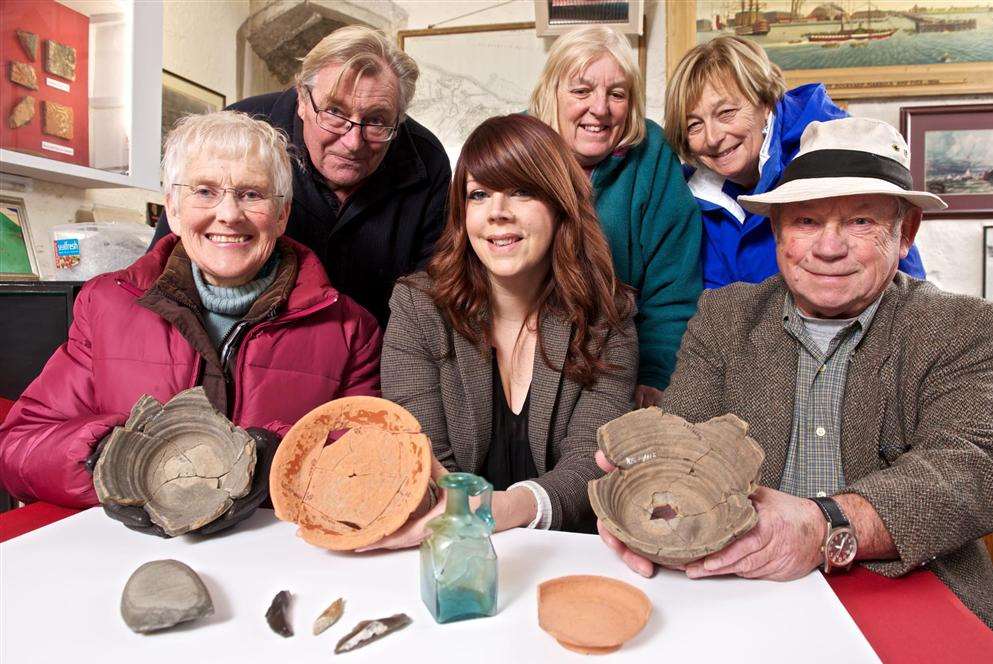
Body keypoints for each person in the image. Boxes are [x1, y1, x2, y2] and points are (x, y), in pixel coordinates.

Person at [597, 117, 993, 629]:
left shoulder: (965, 327)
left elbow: (971, 468)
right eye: (807, 222)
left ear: (904, 233)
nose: (829, 248)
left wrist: (823, 525)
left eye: (860, 222)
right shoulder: (726, 316)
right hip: (745, 591)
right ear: (779, 230)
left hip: (914, 589)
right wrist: (646, 498)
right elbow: (685, 438)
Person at [0, 111, 382, 519]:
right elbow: (19, 448)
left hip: (275, 558)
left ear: (282, 213)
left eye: (252, 194)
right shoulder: (106, 305)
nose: (229, 214)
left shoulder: (349, 328)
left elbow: (370, 466)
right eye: (204, 191)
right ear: (174, 209)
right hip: (136, 558)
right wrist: (108, 461)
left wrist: (273, 459)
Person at [377, 114, 637, 543]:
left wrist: (506, 508)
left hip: (565, 552)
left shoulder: (607, 316)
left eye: (520, 191)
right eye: (478, 194)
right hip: (444, 549)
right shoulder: (418, 307)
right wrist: (470, 522)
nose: (496, 213)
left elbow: (593, 465)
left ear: (560, 203)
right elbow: (425, 460)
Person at [150, 25, 451, 325]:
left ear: (399, 119)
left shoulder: (426, 160)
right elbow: (162, 265)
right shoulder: (244, 129)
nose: (353, 142)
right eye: (334, 111)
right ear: (303, 100)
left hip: (378, 350)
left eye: (376, 121)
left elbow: (432, 294)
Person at [665, 36, 927, 290]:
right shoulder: (688, 196)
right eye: (694, 125)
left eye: (726, 113)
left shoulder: (836, 151)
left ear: (765, 103)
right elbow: (714, 304)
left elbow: (899, 271)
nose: (712, 138)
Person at [529, 26, 702, 406]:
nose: (600, 108)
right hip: (526, 358)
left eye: (617, 94)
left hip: (620, 365)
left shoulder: (652, 153)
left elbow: (672, 288)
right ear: (550, 93)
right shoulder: (516, 146)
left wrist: (656, 374)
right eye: (581, 90)